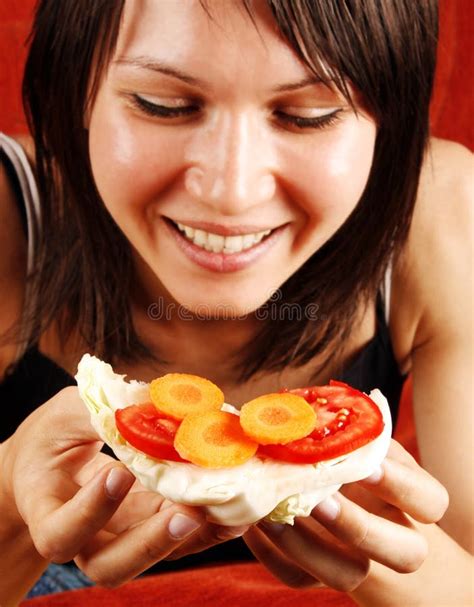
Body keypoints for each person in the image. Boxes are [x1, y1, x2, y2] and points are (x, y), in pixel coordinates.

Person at [0, 0, 472, 605]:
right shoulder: (13, 217)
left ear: (389, 121)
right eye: (163, 105)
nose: (230, 192)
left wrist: (394, 556)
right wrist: (12, 506)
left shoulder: (443, 212)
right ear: (78, 91)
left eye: (308, 115)